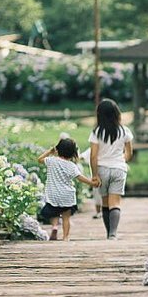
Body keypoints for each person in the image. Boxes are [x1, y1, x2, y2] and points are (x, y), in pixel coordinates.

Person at [37, 137, 99, 241]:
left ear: (58, 150)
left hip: (53, 194)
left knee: (54, 213)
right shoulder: (72, 166)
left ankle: (55, 227)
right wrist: (91, 183)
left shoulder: (51, 161)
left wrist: (50, 151)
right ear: (73, 153)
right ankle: (65, 237)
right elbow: (79, 177)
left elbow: (39, 159)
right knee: (66, 218)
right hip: (67, 195)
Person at [89, 98, 133, 240]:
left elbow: (93, 156)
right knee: (115, 203)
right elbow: (129, 152)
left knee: (106, 203)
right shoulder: (124, 131)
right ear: (116, 113)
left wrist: (95, 175)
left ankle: (108, 233)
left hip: (102, 169)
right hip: (118, 169)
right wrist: (121, 161)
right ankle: (113, 234)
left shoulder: (97, 132)